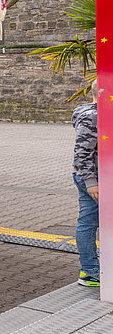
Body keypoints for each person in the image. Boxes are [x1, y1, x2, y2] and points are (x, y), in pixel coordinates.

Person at [73, 101, 101, 287]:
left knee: (89, 222)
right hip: (92, 179)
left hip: (99, 177)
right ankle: (90, 272)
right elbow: (82, 153)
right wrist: (91, 182)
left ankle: (90, 269)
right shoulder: (92, 116)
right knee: (88, 223)